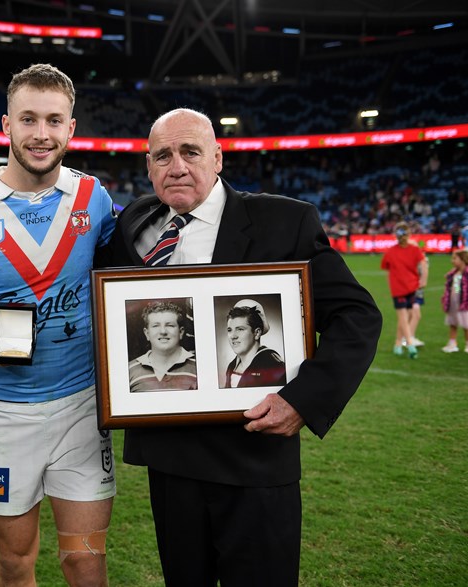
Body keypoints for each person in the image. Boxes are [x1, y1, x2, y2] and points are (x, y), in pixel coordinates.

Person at [96, 108, 381, 586]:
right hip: (171, 462)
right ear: (148, 167)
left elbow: (357, 316)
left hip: (255, 456)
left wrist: (301, 400)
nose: (177, 166)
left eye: (190, 152)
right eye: (162, 156)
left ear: (218, 157)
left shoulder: (284, 222)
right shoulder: (134, 228)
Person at [0, 63, 117, 586]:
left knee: (85, 560)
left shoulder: (94, 200)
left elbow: (122, 278)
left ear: (71, 129)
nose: (41, 134)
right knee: (16, 563)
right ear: (5, 125)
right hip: (5, 416)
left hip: (83, 407)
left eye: (54, 120)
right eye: (28, 119)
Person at [128, 300, 197, 392]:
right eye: (156, 326)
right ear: (147, 333)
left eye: (170, 325)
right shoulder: (129, 371)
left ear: (181, 332)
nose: (163, 332)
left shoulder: (198, 368)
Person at [381, 221, 426, 359]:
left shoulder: (390, 251)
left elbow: (385, 266)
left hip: (398, 288)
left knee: (403, 317)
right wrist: (423, 280)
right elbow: (423, 265)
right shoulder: (415, 250)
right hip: (412, 287)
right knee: (407, 316)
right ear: (409, 234)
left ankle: (402, 344)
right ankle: (405, 344)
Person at [224, 299, 286, 388]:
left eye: (240, 329)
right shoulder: (232, 366)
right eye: (229, 330)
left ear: (257, 333)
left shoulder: (273, 366)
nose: (233, 336)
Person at [440, 248, 468, 353]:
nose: (452, 261)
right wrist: (444, 300)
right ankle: (452, 343)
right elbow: (449, 288)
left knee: (466, 325)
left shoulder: (466, 273)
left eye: (455, 258)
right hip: (453, 303)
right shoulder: (452, 274)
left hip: (464, 304)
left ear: (463, 259)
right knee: (453, 324)